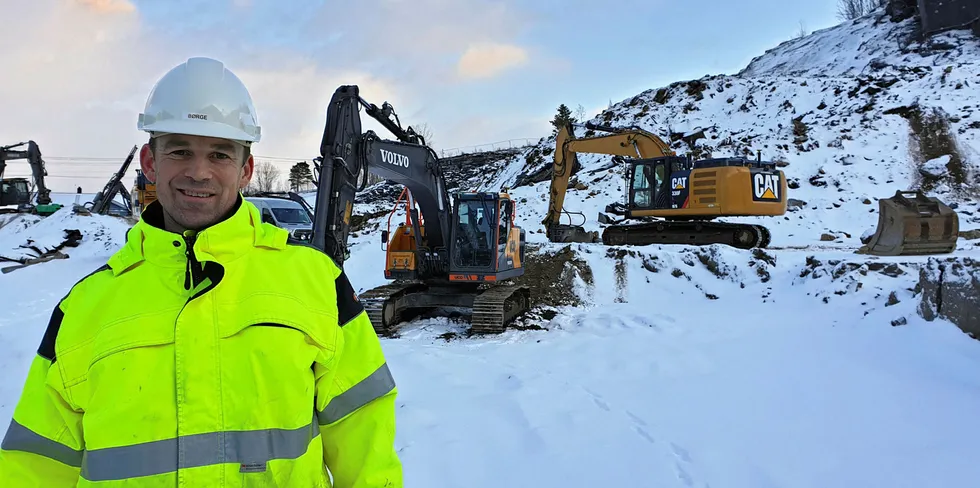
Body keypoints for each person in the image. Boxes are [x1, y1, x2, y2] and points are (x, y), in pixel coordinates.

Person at [0, 56, 403, 487]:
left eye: (219, 153)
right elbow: (34, 465)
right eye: (179, 151)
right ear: (150, 163)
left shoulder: (317, 284)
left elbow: (366, 448)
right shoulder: (83, 310)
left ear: (246, 169)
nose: (198, 171)